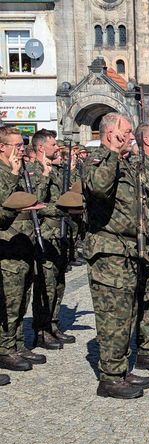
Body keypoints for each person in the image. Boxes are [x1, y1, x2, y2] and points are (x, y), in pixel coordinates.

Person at [82, 113, 149, 398]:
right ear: (111, 134)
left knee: (128, 314)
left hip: (128, 251)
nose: (130, 136)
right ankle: (110, 378)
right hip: (108, 252)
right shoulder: (97, 159)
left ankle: (122, 368)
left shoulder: (124, 163)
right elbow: (99, 188)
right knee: (113, 316)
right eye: (125, 132)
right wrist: (112, 152)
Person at [0, 126, 49, 376]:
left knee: (21, 300)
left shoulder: (17, 171)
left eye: (22, 145)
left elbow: (32, 200)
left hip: (23, 243)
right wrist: (12, 173)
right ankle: (6, 348)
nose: (22, 149)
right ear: (3, 147)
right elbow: (4, 206)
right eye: (17, 145)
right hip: (6, 246)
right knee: (9, 303)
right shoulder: (3, 172)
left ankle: (18, 344)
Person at [30, 129, 77, 350]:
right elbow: (35, 204)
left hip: (61, 235)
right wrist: (59, 209)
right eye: (52, 144)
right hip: (45, 236)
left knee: (58, 283)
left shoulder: (57, 171)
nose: (56, 147)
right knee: (45, 286)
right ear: (40, 147)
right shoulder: (34, 171)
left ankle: (53, 324)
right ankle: (41, 330)